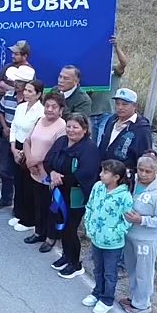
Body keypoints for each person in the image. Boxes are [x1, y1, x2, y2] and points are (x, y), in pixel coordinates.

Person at [45, 113, 100, 278]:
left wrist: (59, 179)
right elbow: (48, 160)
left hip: (76, 195)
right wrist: (53, 172)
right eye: (68, 126)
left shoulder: (89, 148)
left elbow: (85, 174)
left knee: (70, 228)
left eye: (75, 127)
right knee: (60, 224)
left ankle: (75, 264)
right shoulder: (61, 141)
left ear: (84, 130)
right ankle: (66, 256)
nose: (71, 130)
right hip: (59, 192)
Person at [81, 160, 135, 313]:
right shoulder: (98, 187)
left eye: (105, 172)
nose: (101, 175)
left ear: (116, 177)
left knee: (109, 273)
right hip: (96, 238)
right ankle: (97, 292)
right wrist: (89, 226)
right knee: (98, 269)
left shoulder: (124, 196)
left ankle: (107, 299)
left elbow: (127, 220)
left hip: (113, 243)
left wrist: (114, 233)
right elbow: (90, 206)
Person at [121, 155, 157, 313]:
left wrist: (142, 220)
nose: (143, 174)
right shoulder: (132, 182)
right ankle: (134, 297)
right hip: (130, 235)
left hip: (146, 239)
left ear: (155, 172)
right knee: (132, 269)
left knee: (144, 272)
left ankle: (142, 304)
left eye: (148, 171)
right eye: (141, 170)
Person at [22, 92, 69, 253]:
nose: (49, 110)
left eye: (54, 107)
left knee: (51, 207)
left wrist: (36, 161)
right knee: (38, 204)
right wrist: (29, 159)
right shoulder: (39, 121)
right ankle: (39, 231)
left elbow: (57, 151)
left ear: (61, 109)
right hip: (33, 170)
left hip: (48, 173)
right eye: (47, 106)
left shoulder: (62, 126)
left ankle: (51, 237)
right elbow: (27, 140)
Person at [0, 65, 34, 210]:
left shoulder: (32, 103)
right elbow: (1, 111)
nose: (15, 84)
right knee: (5, 169)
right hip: (7, 136)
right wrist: (5, 127)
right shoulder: (8, 96)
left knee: (21, 173)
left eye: (19, 82)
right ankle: (6, 198)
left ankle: (20, 203)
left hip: (24, 141)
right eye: (15, 81)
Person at [6, 78, 45, 232]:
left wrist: (24, 152)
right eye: (26, 90)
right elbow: (14, 127)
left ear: (38, 94)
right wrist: (13, 147)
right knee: (18, 182)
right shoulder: (21, 107)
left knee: (29, 184)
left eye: (30, 91)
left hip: (31, 148)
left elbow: (35, 133)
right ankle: (19, 212)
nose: (26, 93)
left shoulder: (41, 112)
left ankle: (29, 220)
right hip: (17, 145)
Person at [97, 87, 154, 173]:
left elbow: (144, 155)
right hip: (105, 173)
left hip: (125, 176)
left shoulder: (142, 128)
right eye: (117, 104)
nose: (120, 107)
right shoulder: (112, 120)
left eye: (124, 104)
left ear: (135, 106)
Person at [88, 35, 130, 139]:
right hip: (91, 113)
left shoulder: (113, 70)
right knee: (93, 142)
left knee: (102, 138)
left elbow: (123, 63)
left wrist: (116, 47)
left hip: (107, 112)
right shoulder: (89, 72)